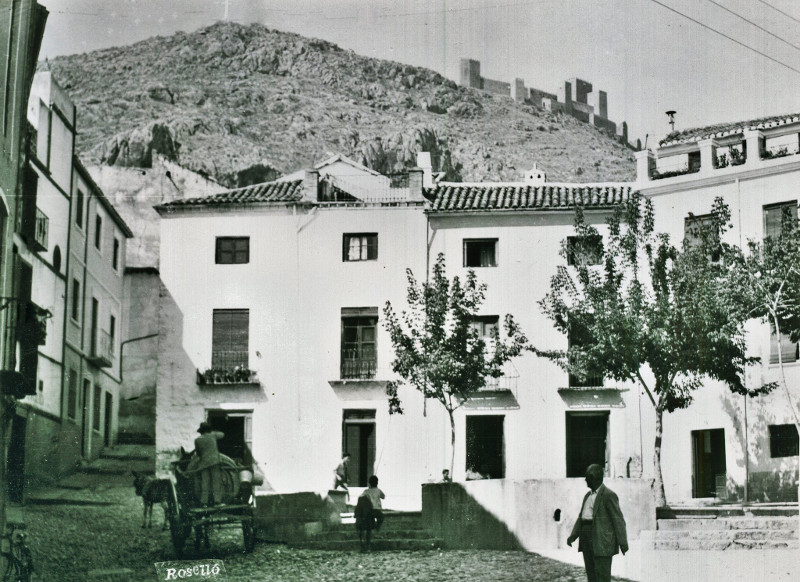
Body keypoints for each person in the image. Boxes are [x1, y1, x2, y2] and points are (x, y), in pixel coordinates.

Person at [567, 464, 628, 582]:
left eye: (587, 477)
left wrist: (623, 542)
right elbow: (581, 518)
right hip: (586, 538)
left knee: (602, 575)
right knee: (591, 574)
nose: (585, 480)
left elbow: (618, 520)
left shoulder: (608, 495)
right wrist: (573, 536)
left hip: (601, 541)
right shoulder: (587, 496)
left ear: (594, 477)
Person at [192, 422, 225, 506]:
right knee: (216, 482)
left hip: (203, 463)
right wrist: (212, 432)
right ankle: (217, 502)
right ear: (209, 430)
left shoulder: (197, 440)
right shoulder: (213, 436)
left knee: (205, 483)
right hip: (215, 462)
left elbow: (198, 453)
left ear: (201, 431)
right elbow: (222, 434)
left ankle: (204, 503)